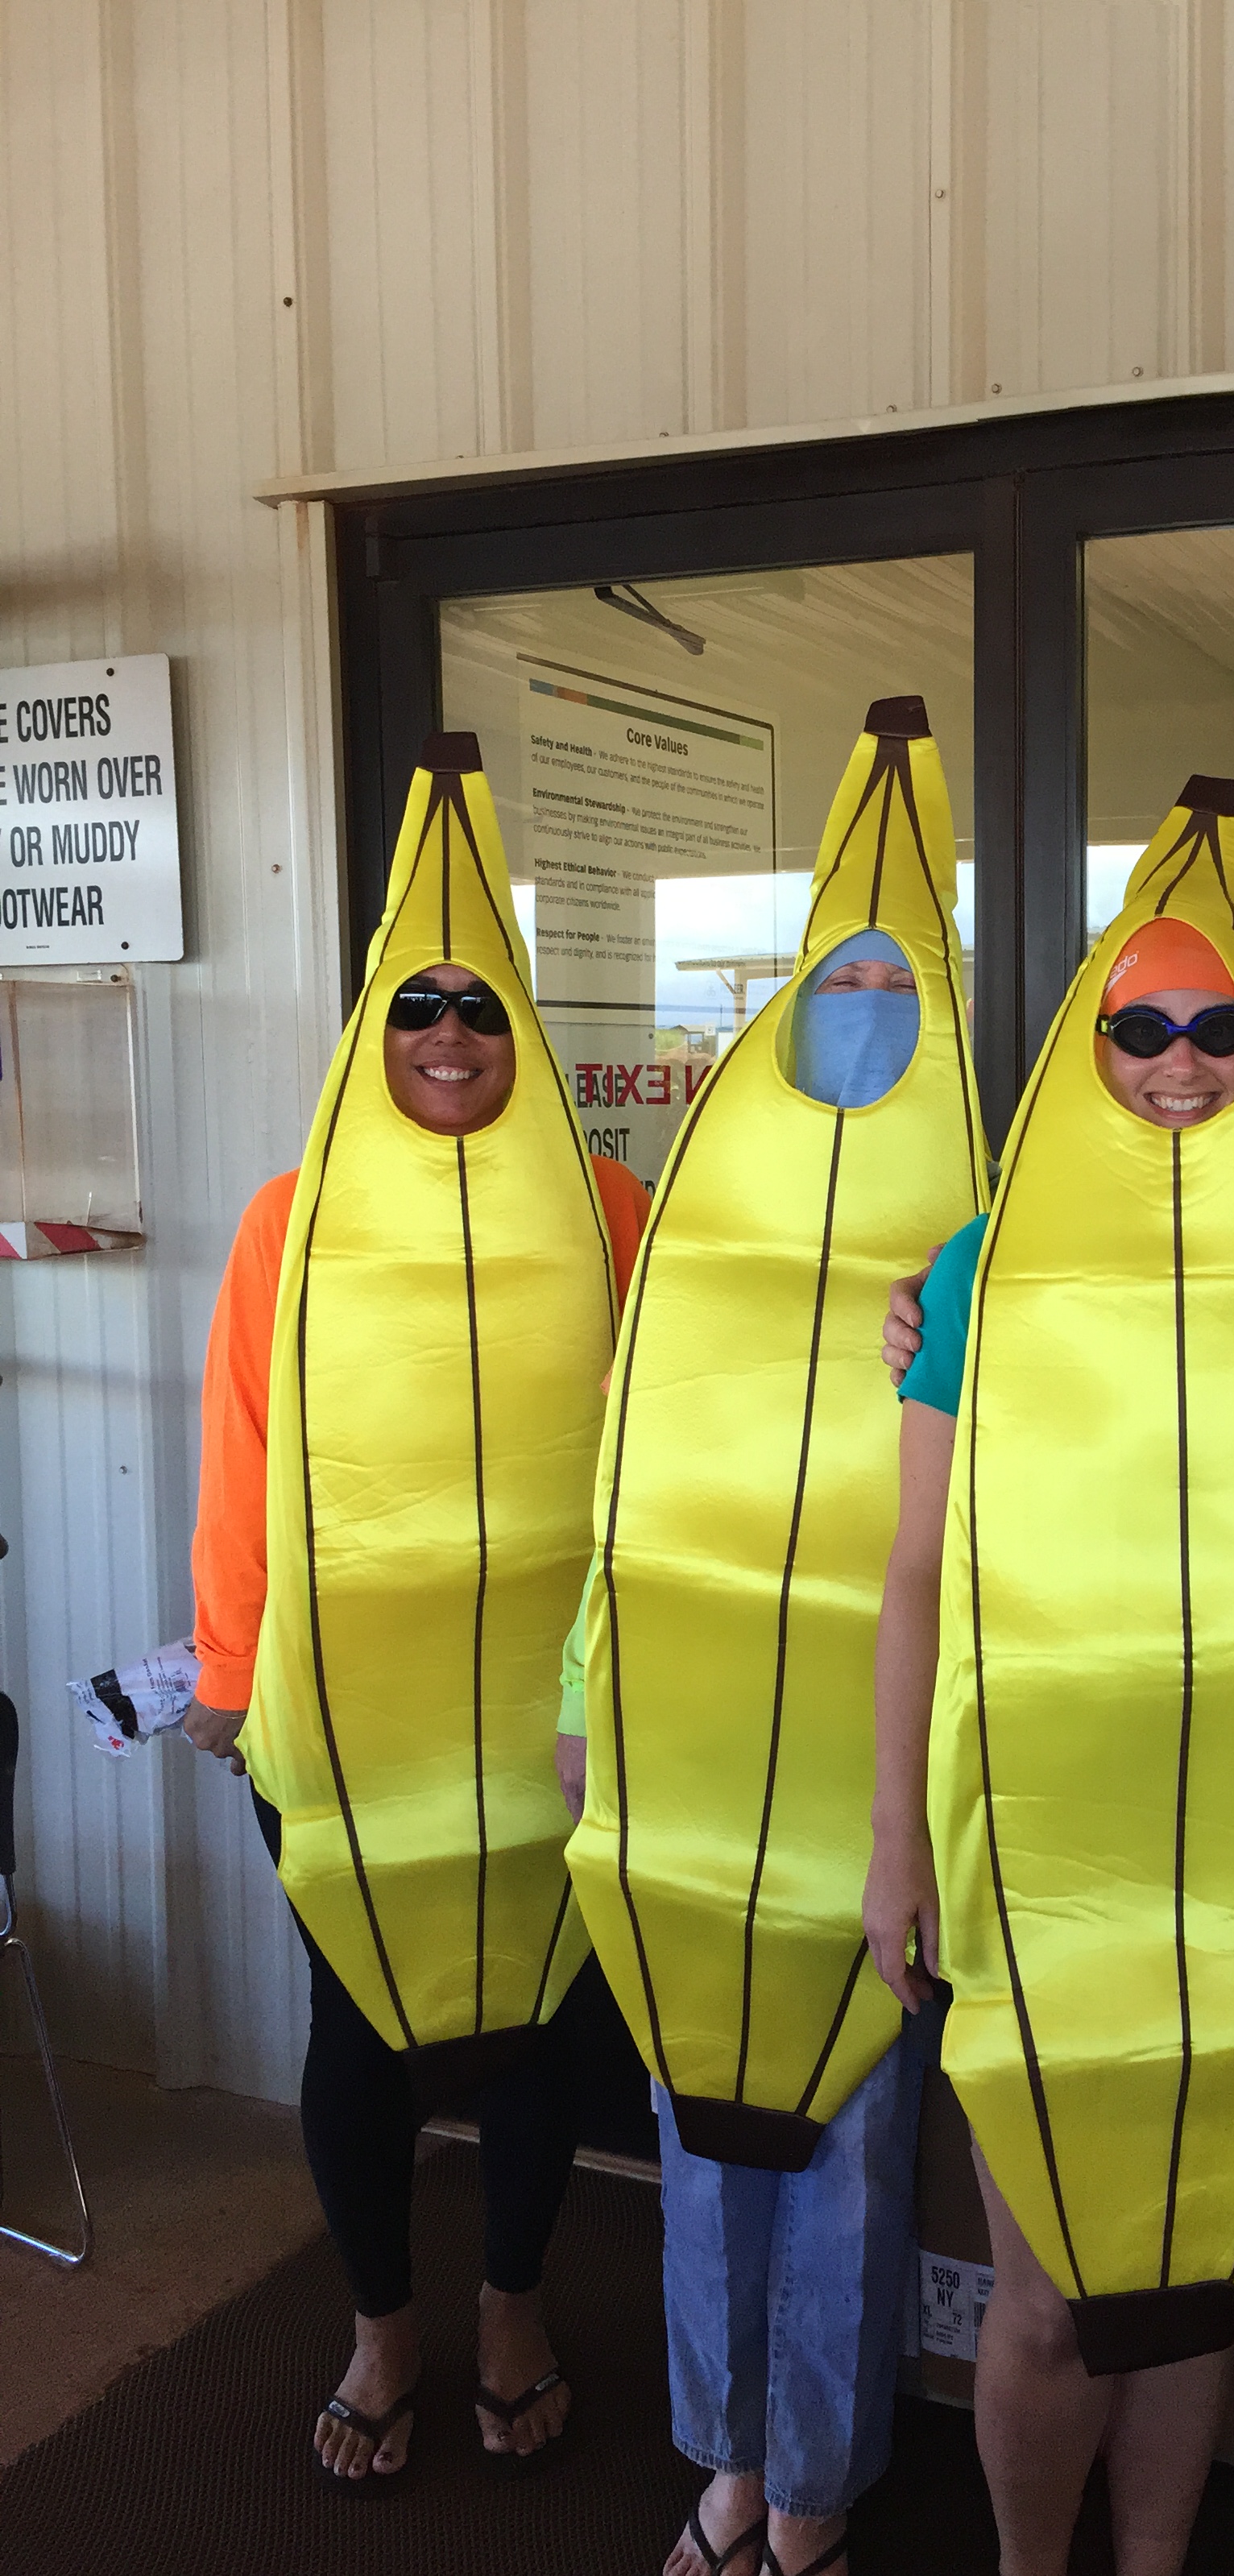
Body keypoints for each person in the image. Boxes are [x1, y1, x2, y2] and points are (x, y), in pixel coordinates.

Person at [866, 804, 1234, 2576]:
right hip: (1045, 1846)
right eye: (1139, 1028)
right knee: (1048, 2282)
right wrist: (898, 1843)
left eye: (1216, 1028)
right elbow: (916, 1574)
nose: (1180, 1063)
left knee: (1199, 2273)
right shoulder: (980, 1270)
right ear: (1084, 1049)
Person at [180, 736, 648, 2492]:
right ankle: (382, 2326)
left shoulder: (610, 1208)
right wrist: (231, 1668)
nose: (450, 1037)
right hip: (343, 1713)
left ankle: (513, 2306)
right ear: (373, 1032)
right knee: (359, 2029)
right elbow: (241, 1454)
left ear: (521, 1033)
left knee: (540, 2026)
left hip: (547, 1710)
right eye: (417, 1008)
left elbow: (665, 1443)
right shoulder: (288, 1223)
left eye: (480, 1009)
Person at [574, 705, 990, 2576]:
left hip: (869, 1751)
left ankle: (811, 2482)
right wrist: (588, 1700)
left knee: (846, 2134)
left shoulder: (983, 1228)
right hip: (690, 1741)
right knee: (703, 2121)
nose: (870, 1017)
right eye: (846, 987)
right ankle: (725, 2455)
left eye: (903, 991)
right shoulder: (694, 1219)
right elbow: (626, 1473)